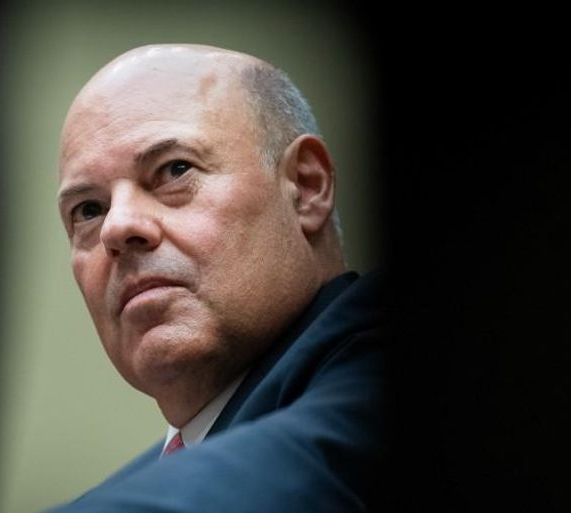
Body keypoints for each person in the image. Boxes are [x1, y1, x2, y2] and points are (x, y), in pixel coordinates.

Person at [50, 44, 388, 512]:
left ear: (307, 187)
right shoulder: (161, 477)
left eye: (174, 170)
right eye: (88, 210)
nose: (117, 228)